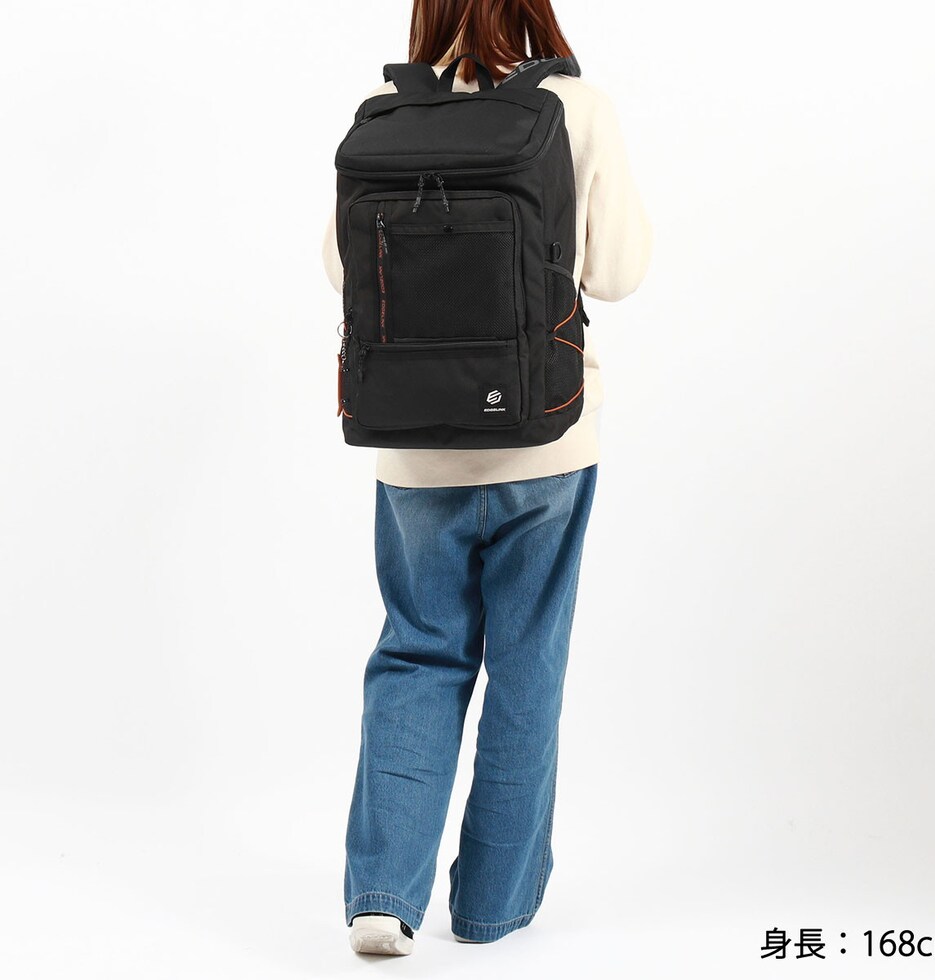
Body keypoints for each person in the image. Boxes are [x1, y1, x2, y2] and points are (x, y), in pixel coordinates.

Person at [322, 0, 652, 956]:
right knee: (525, 663)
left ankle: (382, 894)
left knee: (417, 650)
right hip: (545, 437)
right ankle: (492, 906)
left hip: (414, 445)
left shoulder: (385, 111)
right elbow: (621, 271)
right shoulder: (575, 108)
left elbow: (341, 270)